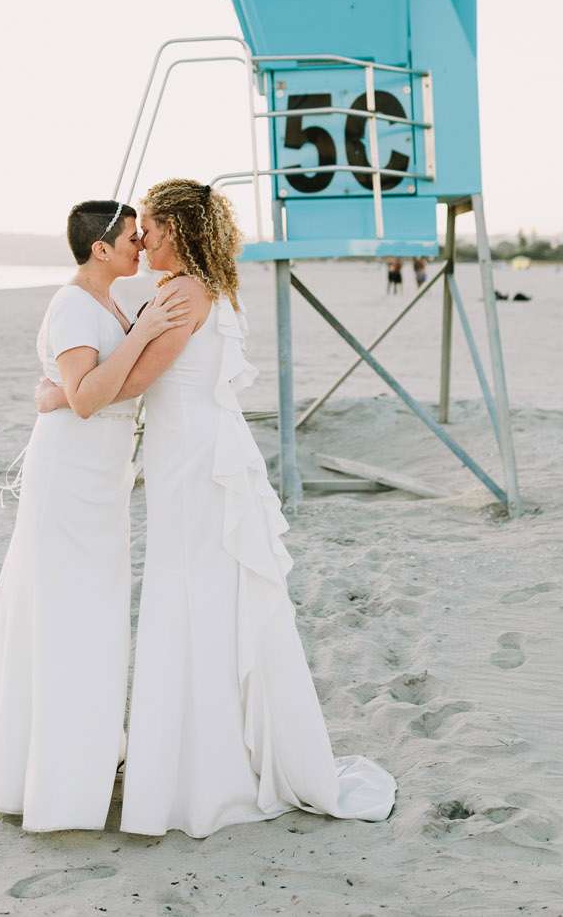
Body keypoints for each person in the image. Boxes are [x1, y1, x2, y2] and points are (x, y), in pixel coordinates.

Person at [40, 179, 396, 837]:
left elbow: (135, 380)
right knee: (196, 589)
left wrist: (60, 394)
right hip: (190, 447)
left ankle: (197, 769)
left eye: (149, 227)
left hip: (194, 458)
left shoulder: (182, 292)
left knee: (189, 589)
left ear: (175, 230)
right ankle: (191, 751)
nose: (141, 238)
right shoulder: (195, 286)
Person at [0, 200, 188, 832]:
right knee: (69, 608)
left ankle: (87, 747)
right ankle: (56, 766)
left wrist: (64, 389)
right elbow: (85, 399)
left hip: (102, 474)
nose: (141, 245)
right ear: (100, 248)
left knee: (96, 607)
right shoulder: (74, 305)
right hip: (71, 475)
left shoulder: (108, 300)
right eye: (132, 238)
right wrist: (136, 338)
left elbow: (96, 387)